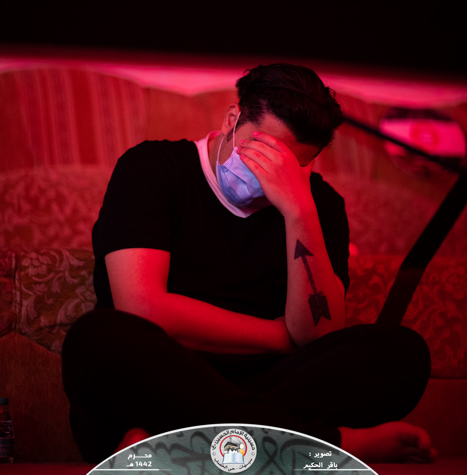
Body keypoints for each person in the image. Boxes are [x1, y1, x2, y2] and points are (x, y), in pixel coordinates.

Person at [62, 63, 436, 464]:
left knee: (403, 354)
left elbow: (319, 334)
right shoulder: (152, 167)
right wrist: (279, 336)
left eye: (292, 165)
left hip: (263, 384)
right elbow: (143, 308)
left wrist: (298, 211)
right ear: (232, 120)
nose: (267, 175)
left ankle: (179, 444)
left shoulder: (319, 205)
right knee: (96, 337)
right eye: (261, 152)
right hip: (163, 378)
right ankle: (323, 444)